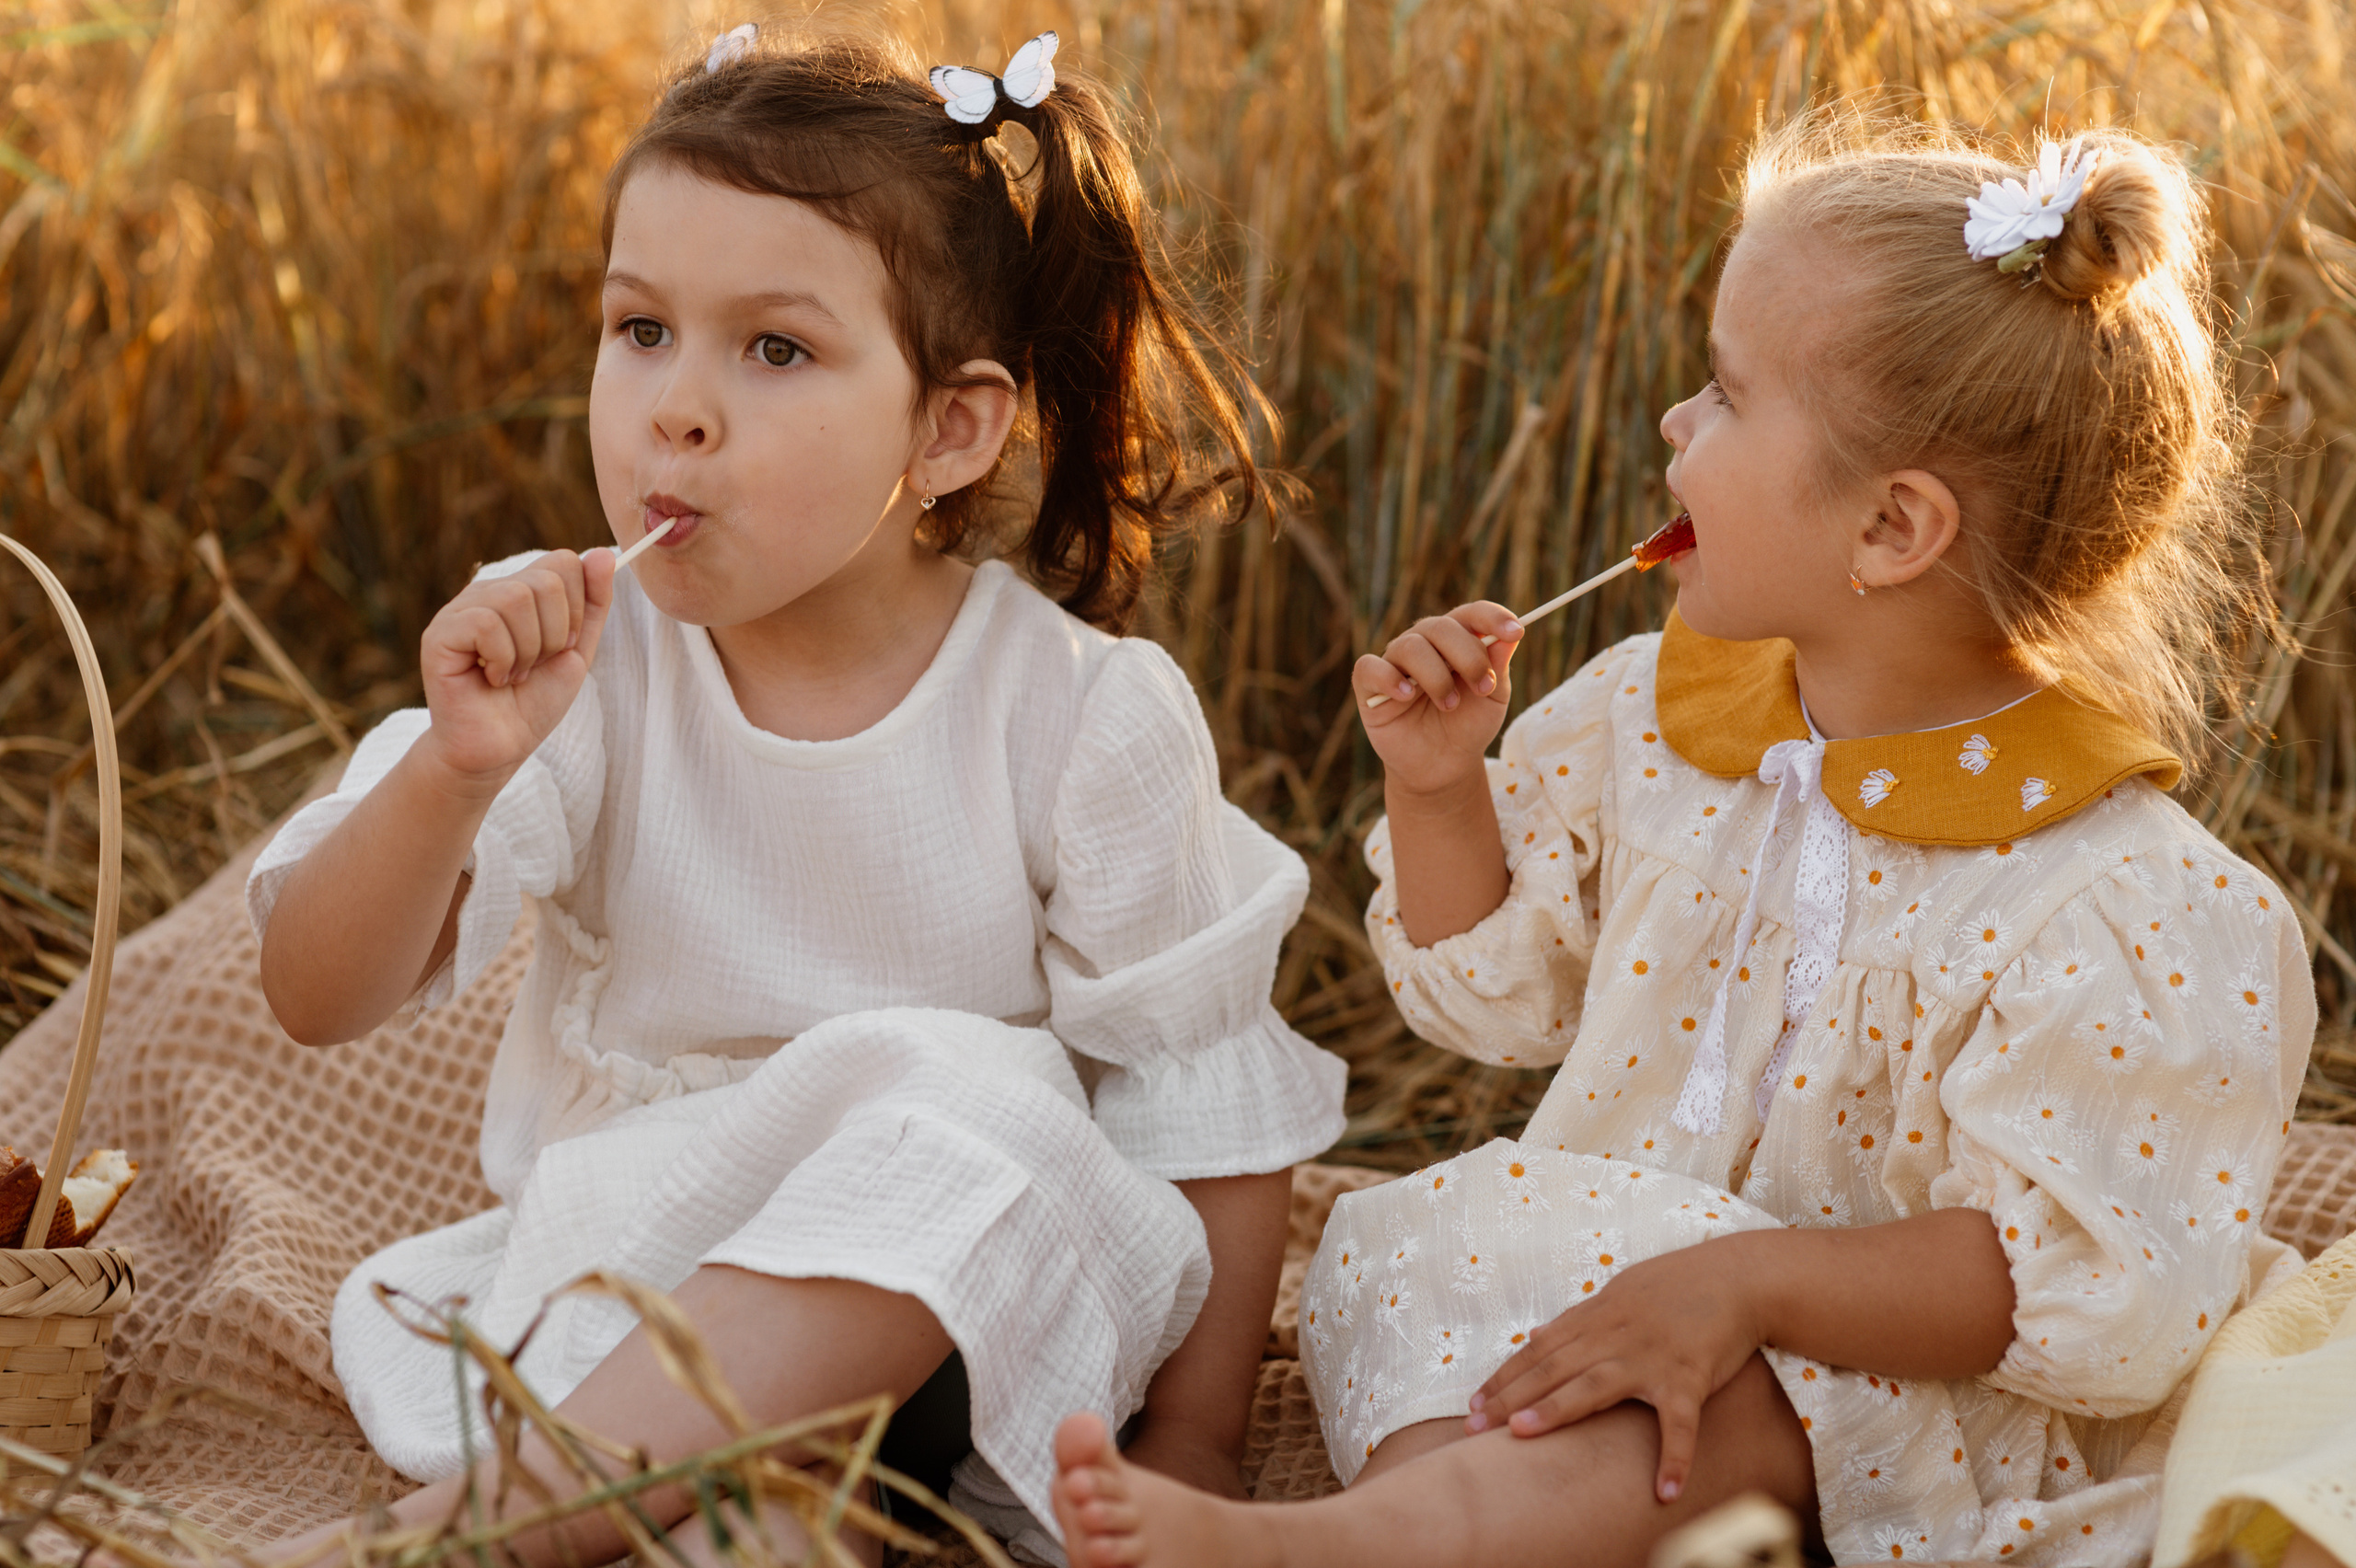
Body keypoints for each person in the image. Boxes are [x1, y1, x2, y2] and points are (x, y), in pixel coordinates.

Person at [1049, 115, 2315, 1568]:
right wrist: (1443, 790)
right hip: (1615, 1279)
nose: (1674, 422)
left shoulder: (2109, 902)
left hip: (1882, 1382)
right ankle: (1410, 1531)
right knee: (1477, 1323)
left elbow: (2054, 1283)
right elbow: (1497, 1005)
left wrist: (1746, 1289)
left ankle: (1323, 1553)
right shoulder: (1657, 727)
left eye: (1725, 393)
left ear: (1892, 528)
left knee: (1719, 1418)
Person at [246, 26, 1344, 1566]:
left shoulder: (1080, 715)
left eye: (773, 350)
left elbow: (1200, 1089)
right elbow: (314, 995)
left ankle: (508, 1528)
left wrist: (1198, 1449)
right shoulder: (576, 666)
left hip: (973, 1322)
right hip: (646, 1310)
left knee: (976, 1098)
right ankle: (646, 1503)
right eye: (640, 330)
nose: (676, 410)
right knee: (756, 1530)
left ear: (949, 430)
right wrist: (452, 771)